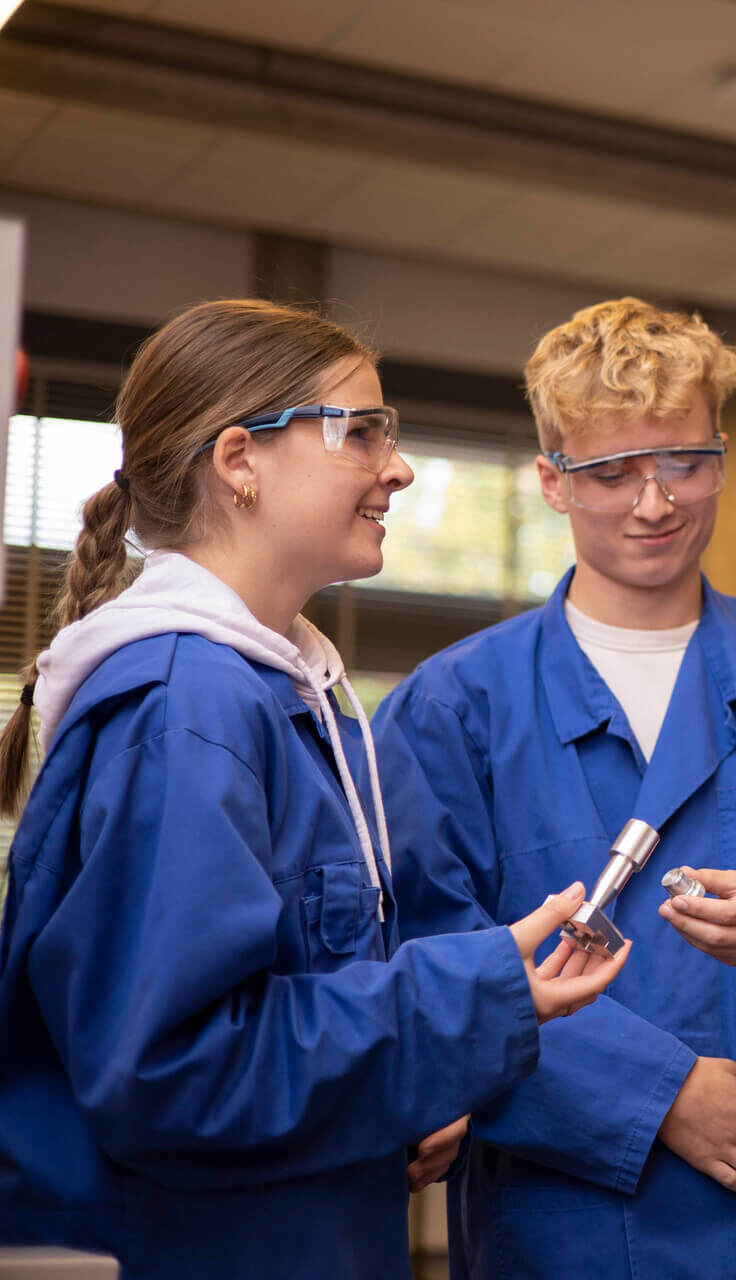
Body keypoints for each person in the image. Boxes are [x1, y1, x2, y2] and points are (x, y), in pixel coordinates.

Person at [0, 300, 626, 1279]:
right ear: (240, 459)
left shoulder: (294, 697)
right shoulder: (188, 706)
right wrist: (473, 997)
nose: (400, 466)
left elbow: (310, 997)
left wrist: (407, 1087)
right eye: (361, 431)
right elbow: (177, 1070)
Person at [373, 296, 736, 1279]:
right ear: (552, 482)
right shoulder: (453, 706)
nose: (656, 501)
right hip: (557, 1226)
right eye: (611, 472)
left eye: (686, 461)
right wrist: (658, 1092)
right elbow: (418, 965)